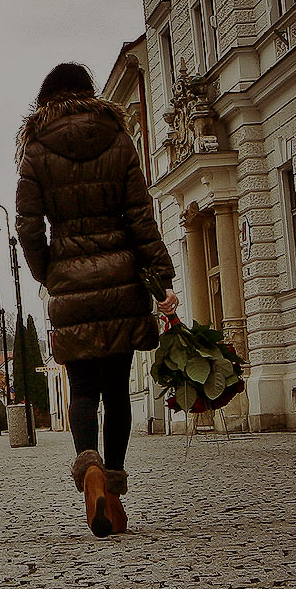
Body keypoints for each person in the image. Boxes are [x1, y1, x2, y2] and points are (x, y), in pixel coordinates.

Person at [14, 61, 176, 536]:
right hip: (122, 281)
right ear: (88, 94)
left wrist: (49, 271)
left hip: (71, 284)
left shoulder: (36, 149)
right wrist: (161, 279)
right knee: (117, 391)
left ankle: (91, 473)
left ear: (46, 100)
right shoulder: (117, 137)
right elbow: (141, 217)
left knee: (82, 389)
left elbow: (27, 225)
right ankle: (116, 489)